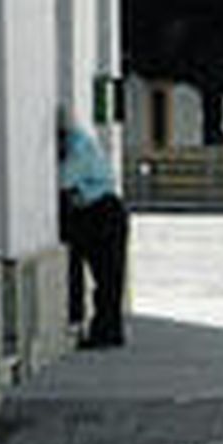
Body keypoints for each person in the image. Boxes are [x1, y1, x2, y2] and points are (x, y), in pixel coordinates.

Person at [58, 114, 130, 349]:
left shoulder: (77, 146)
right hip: (106, 212)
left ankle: (106, 332)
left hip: (102, 213)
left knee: (106, 277)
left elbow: (64, 180)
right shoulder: (84, 142)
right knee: (109, 277)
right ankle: (110, 331)